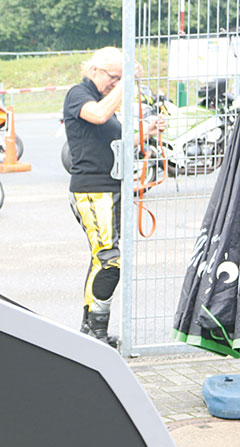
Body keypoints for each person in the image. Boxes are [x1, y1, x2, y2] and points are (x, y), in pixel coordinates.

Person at [63, 46, 163, 348]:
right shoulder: (78, 95)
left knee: (100, 259)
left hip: (109, 189)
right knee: (109, 261)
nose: (115, 83)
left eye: (120, 78)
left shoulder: (101, 100)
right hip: (91, 190)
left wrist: (145, 133)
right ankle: (97, 332)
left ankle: (90, 329)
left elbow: (115, 142)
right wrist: (127, 82)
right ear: (94, 70)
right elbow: (99, 114)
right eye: (113, 77)